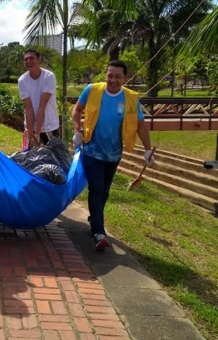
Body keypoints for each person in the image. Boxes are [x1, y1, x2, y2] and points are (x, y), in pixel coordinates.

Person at [71, 60, 155, 251]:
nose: (113, 80)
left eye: (118, 76)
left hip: (114, 154)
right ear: (105, 75)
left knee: (105, 191)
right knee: (97, 190)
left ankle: (94, 219)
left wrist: (148, 149)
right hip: (92, 151)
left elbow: (140, 125)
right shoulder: (92, 90)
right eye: (110, 75)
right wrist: (77, 130)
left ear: (125, 78)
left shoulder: (131, 99)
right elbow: (76, 110)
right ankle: (100, 232)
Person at [18, 49, 59, 147]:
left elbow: (42, 105)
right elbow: (28, 108)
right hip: (31, 127)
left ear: (39, 60)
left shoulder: (49, 76)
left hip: (50, 127)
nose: (28, 61)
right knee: (32, 160)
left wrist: (38, 132)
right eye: (26, 59)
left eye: (31, 58)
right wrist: (31, 132)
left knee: (54, 160)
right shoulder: (22, 80)